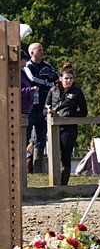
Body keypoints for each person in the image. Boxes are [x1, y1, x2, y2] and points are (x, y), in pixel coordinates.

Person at [45, 63, 88, 185]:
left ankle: (64, 183)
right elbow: (44, 108)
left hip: (69, 127)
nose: (68, 81)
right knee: (53, 153)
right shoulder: (53, 90)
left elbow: (84, 112)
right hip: (53, 125)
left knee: (66, 154)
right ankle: (53, 181)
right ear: (60, 78)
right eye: (66, 78)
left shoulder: (77, 92)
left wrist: (70, 114)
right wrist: (49, 111)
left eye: (71, 78)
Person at [23, 41, 57, 173]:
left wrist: (47, 82)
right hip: (30, 108)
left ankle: (37, 168)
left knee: (41, 138)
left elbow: (55, 80)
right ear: (32, 53)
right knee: (25, 138)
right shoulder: (27, 66)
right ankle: (24, 167)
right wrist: (46, 82)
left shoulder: (48, 65)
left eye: (42, 50)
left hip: (44, 107)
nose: (42, 52)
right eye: (39, 50)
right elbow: (33, 79)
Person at [18, 49, 38, 172]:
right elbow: (15, 92)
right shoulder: (13, 73)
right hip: (19, 111)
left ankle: (24, 167)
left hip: (26, 111)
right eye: (24, 59)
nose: (26, 62)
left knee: (26, 140)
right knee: (22, 141)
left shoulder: (22, 72)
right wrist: (31, 90)